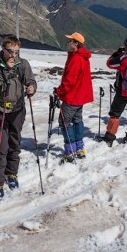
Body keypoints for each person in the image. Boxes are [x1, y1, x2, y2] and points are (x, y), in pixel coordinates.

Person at [0, 35, 36, 200]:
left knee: (15, 143)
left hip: (17, 109)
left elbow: (31, 80)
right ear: (3, 49)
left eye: (16, 51)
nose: (14, 55)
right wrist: (5, 70)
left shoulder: (23, 64)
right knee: (1, 147)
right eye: (10, 51)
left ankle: (11, 174)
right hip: (0, 110)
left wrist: (32, 88)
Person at [54, 32, 93, 162]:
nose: (68, 42)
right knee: (77, 121)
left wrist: (59, 92)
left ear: (76, 43)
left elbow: (69, 81)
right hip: (80, 97)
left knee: (64, 123)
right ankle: (79, 148)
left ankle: (70, 151)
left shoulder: (76, 58)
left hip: (72, 97)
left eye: (70, 40)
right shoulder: (83, 57)